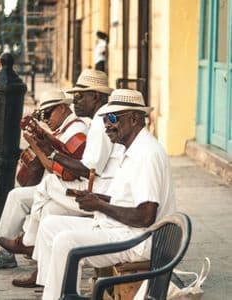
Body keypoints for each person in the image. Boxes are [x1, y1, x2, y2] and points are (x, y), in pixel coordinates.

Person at [31, 89, 176, 299]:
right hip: (124, 228)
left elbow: (146, 216)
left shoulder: (146, 155)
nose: (107, 125)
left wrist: (99, 205)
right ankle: (53, 291)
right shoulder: (132, 148)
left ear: (134, 119)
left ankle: (60, 294)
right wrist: (97, 200)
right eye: (105, 119)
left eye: (113, 118)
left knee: (65, 242)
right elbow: (129, 200)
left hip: (140, 240)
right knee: (49, 225)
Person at [0, 89, 89, 272]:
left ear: (62, 108)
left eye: (47, 113)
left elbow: (61, 171)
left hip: (71, 188)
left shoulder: (77, 130)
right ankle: (6, 252)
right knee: (16, 196)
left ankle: (29, 246)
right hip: (61, 186)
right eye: (42, 115)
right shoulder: (66, 129)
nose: (45, 120)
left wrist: (36, 145)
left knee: (29, 199)